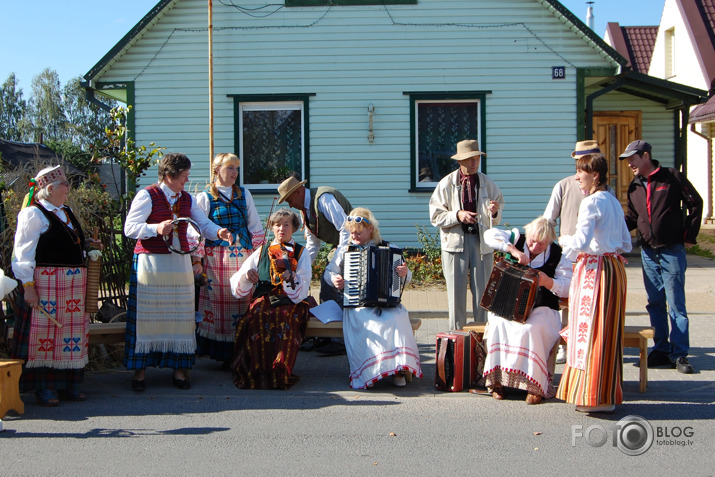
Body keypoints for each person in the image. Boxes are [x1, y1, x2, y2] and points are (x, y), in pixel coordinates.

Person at [123, 153, 234, 392]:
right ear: (169, 175)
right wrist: (156, 227)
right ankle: (140, 372)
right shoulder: (147, 195)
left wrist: (219, 232)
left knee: (180, 317)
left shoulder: (187, 199)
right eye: (184, 176)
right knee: (148, 317)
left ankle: (180, 369)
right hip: (151, 263)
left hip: (179, 262)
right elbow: (130, 228)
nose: (187, 180)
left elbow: (203, 224)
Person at [11, 166, 97, 406]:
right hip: (45, 285)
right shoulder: (33, 214)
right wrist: (28, 286)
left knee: (71, 333)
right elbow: (22, 255)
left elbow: (66, 242)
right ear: (49, 188)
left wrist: (87, 245)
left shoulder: (65, 211)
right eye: (64, 184)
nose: (69, 188)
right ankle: (45, 387)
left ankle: (69, 383)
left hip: (72, 289)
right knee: (44, 334)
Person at [556, 153, 632, 413]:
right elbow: (626, 243)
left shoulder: (590, 203)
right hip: (614, 271)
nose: (577, 177)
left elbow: (579, 243)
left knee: (589, 332)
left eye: (581, 172)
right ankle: (607, 395)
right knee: (608, 332)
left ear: (595, 175)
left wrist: (564, 239)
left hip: (594, 271)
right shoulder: (613, 201)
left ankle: (591, 395)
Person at [621, 140, 703, 374]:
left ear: (645, 156)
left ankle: (679, 355)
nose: (629, 164)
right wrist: (612, 235)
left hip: (672, 250)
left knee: (676, 303)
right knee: (655, 302)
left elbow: (695, 204)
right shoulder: (635, 186)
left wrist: (689, 235)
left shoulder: (671, 176)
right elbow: (632, 218)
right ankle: (661, 349)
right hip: (648, 252)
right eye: (627, 160)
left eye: (632, 159)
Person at [324, 207, 423, 389]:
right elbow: (328, 273)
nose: (354, 236)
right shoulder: (345, 250)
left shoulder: (389, 249)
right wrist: (335, 279)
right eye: (352, 233)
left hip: (386, 303)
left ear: (371, 230)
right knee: (368, 322)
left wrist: (404, 272)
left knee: (396, 318)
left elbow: (406, 279)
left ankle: (398, 370)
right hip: (357, 303)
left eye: (358, 233)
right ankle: (369, 371)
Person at [481, 217, 573, 404]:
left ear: (549, 242)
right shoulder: (516, 238)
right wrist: (513, 250)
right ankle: (497, 382)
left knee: (531, 329)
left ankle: (534, 385)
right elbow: (488, 235)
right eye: (532, 240)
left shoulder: (558, 254)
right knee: (498, 324)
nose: (534, 246)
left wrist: (548, 282)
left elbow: (568, 286)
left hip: (542, 306)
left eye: (541, 244)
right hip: (508, 304)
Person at [229, 208, 316, 389]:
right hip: (265, 296)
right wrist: (248, 275)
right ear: (272, 227)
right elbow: (241, 274)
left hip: (291, 300)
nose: (281, 229)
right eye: (277, 225)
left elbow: (304, 280)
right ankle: (257, 370)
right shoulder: (262, 250)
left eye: (286, 225)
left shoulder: (301, 252)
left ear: (293, 228)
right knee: (257, 314)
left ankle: (280, 371)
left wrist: (293, 278)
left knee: (284, 317)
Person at [194, 153, 264, 366]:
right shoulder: (205, 197)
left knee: (242, 299)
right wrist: (197, 260)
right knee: (220, 304)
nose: (235, 173)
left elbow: (254, 226)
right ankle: (223, 354)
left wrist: (259, 255)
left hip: (243, 256)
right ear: (217, 170)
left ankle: (242, 351)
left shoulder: (244, 194)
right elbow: (197, 230)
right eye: (230, 168)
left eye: (237, 168)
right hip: (217, 260)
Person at [429, 139, 504, 330]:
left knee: (483, 295)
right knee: (456, 296)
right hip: (455, 244)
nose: (474, 162)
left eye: (477, 158)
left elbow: (496, 217)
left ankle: (481, 342)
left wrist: (494, 211)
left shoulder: (488, 183)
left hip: (482, 243)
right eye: (470, 159)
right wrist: (457, 215)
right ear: (460, 161)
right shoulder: (446, 184)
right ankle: (457, 341)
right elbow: (435, 216)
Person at [278, 176, 352, 354]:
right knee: (326, 286)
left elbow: (346, 229)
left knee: (331, 283)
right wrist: (301, 269)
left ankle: (339, 339)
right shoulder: (305, 210)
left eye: (289, 200)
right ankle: (327, 334)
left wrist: (335, 264)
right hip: (340, 246)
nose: (289, 205)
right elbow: (313, 244)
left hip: (354, 243)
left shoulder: (324, 199)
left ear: (298, 192)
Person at [544, 140, 603, 364]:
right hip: (569, 253)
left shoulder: (604, 191)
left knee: (590, 301)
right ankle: (563, 346)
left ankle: (588, 344)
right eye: (579, 161)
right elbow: (549, 217)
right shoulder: (564, 185)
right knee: (565, 301)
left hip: (596, 255)